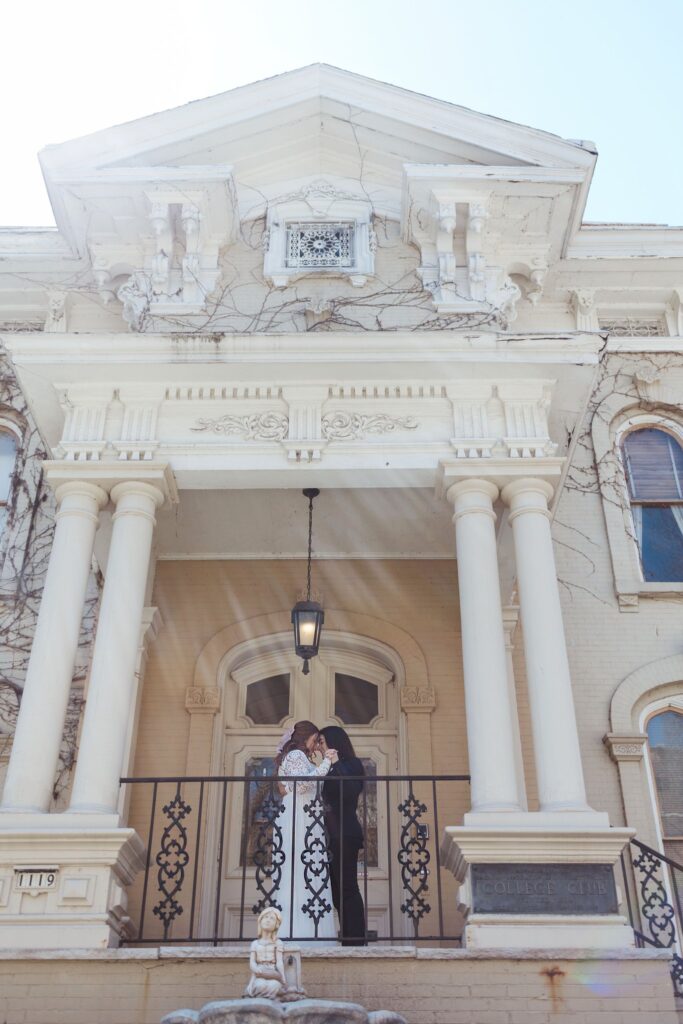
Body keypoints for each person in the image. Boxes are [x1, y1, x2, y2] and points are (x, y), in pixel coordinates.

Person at [275, 720, 338, 942]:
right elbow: (301, 785)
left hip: (308, 818)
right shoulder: (295, 756)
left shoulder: (299, 758)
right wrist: (327, 762)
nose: (315, 745)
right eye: (314, 739)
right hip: (299, 818)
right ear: (305, 737)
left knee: (310, 871)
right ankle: (299, 932)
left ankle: (314, 930)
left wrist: (325, 763)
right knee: (299, 869)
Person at [319, 725, 367, 946]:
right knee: (336, 891)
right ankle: (347, 937)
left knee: (347, 887)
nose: (319, 746)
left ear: (333, 742)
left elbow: (349, 792)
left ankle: (356, 940)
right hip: (330, 836)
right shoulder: (327, 767)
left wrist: (336, 763)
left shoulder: (352, 765)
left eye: (321, 742)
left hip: (346, 834)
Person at [244, 907, 287, 999]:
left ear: (276, 925)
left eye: (272, 918)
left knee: (274, 985)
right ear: (260, 920)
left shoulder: (278, 943)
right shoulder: (255, 943)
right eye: (266, 917)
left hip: (273, 972)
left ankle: (271, 1004)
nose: (268, 920)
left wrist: (283, 977)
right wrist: (255, 968)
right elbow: (252, 961)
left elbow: (279, 962)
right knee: (260, 985)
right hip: (259, 972)